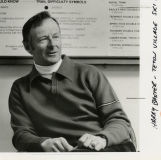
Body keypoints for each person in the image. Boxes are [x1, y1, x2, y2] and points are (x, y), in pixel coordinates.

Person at [8, 11, 136, 152]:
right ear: (27, 46)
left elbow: (119, 121)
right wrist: (43, 143)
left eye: (56, 37)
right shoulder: (19, 88)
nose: (53, 44)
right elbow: (21, 136)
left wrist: (102, 139)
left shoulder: (90, 74)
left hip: (102, 150)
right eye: (43, 39)